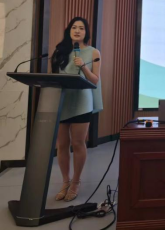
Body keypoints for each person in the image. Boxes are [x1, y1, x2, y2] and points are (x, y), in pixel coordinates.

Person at [51, 17, 102, 202]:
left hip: (82, 102)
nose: (77, 31)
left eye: (81, 28)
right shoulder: (60, 51)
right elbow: (54, 76)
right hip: (63, 101)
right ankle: (65, 181)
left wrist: (84, 68)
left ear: (86, 32)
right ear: (69, 30)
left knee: (78, 143)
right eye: (74, 27)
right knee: (62, 144)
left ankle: (76, 182)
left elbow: (95, 79)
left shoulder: (93, 52)